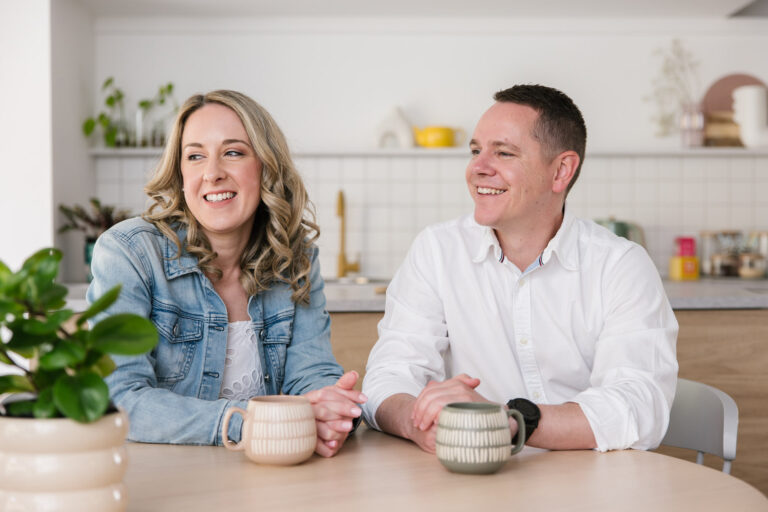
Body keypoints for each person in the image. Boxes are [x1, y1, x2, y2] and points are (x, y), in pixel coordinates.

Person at [361, 84, 678, 453]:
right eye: (476, 151)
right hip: (473, 480)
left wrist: (509, 423)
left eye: (504, 153)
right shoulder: (437, 250)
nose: (477, 168)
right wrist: (416, 422)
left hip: (589, 484)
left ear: (561, 170)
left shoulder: (620, 265)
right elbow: (389, 376)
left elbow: (639, 408)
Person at [88, 90, 365, 456]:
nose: (213, 173)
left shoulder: (294, 259)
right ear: (181, 174)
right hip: (163, 479)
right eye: (195, 156)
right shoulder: (130, 253)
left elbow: (311, 375)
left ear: (267, 166)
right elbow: (119, 399)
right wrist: (247, 423)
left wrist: (333, 407)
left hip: (271, 477)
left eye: (233, 153)